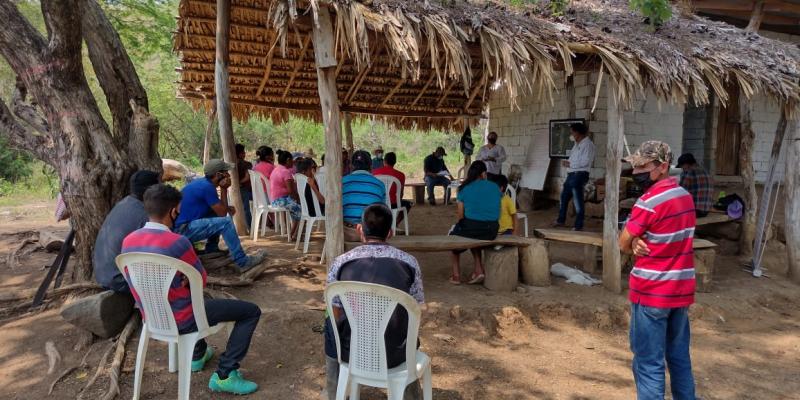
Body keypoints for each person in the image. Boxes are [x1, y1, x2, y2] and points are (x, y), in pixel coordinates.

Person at [121, 184, 261, 395]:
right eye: (178, 210)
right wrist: (185, 278)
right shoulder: (178, 243)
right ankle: (225, 375)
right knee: (250, 311)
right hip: (184, 318)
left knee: (194, 296)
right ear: (173, 211)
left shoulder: (128, 241)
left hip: (151, 316)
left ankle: (197, 355)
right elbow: (199, 279)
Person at [618, 141, 697, 400]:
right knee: (679, 358)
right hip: (680, 292)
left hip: (651, 292)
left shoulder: (648, 201)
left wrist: (633, 243)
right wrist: (637, 241)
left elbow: (622, 242)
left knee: (648, 364)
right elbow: (671, 237)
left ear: (663, 167)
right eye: (636, 164)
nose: (637, 170)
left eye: (643, 165)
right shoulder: (684, 197)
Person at [323, 204, 424, 400]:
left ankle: (333, 391)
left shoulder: (341, 262)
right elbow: (417, 309)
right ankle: (410, 393)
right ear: (390, 232)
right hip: (396, 353)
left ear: (360, 229)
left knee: (329, 323)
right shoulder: (409, 262)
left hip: (352, 352)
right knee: (408, 329)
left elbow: (334, 311)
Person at [174, 159, 267, 271]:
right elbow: (223, 214)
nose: (228, 175)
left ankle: (212, 249)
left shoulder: (203, 183)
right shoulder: (207, 187)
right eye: (226, 172)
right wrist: (224, 189)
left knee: (217, 215)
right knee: (226, 223)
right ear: (218, 174)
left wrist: (226, 208)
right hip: (182, 230)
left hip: (181, 227)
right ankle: (243, 262)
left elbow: (220, 210)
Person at [93, 170, 160, 293]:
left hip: (102, 274)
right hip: (118, 280)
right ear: (152, 191)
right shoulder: (144, 214)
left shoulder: (124, 203)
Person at [449, 161, 501, 285]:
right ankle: (479, 270)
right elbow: (498, 210)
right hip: (492, 230)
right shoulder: (494, 187)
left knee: (453, 239)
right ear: (483, 173)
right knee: (474, 236)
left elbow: (460, 215)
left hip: (472, 228)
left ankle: (456, 275)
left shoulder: (464, 189)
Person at [553, 122, 595, 231]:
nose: (571, 135)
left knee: (577, 200)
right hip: (572, 174)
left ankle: (578, 225)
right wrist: (568, 162)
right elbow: (573, 159)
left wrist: (570, 164)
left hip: (580, 174)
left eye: (572, 132)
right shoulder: (576, 144)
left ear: (578, 133)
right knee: (564, 197)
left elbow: (585, 162)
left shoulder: (588, 145)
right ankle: (561, 220)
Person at [342, 150, 386, 242]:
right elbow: (383, 211)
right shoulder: (379, 184)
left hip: (346, 232)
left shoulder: (341, 182)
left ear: (351, 166)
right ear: (371, 166)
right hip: (371, 234)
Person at [373, 151, 413, 221]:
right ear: (395, 162)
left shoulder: (374, 172)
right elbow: (401, 194)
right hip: (393, 204)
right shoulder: (401, 175)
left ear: (384, 161)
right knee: (408, 204)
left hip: (376, 202)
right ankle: (395, 224)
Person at [270, 151, 301, 239]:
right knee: (300, 210)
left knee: (297, 206)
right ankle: (292, 234)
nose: (293, 162)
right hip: (281, 200)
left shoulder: (276, 169)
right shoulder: (286, 172)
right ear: (288, 160)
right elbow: (291, 191)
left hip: (274, 200)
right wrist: (298, 200)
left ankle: (294, 234)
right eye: (292, 160)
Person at [677, 153, 713, 218]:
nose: (682, 168)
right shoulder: (705, 171)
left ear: (686, 164)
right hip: (706, 210)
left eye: (682, 166)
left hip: (695, 211)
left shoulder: (688, 172)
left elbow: (681, 193)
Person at [236, 144, 253, 228]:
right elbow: (247, 177)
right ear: (239, 153)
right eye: (243, 152)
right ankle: (249, 226)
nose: (244, 154)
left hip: (233, 189)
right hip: (244, 188)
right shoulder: (246, 164)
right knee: (246, 209)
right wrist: (239, 182)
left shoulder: (229, 163)